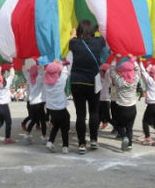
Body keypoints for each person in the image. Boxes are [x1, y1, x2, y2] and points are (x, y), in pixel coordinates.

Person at [69, 19, 106, 154]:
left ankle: (81, 144)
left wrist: (73, 33)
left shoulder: (74, 43)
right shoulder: (99, 42)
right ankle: (94, 140)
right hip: (93, 82)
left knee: (80, 114)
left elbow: (72, 39)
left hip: (77, 82)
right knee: (94, 112)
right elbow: (103, 34)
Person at [110, 55, 140, 151]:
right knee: (129, 128)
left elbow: (112, 71)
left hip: (121, 108)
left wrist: (115, 59)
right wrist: (133, 60)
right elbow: (138, 70)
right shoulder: (135, 80)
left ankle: (124, 137)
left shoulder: (119, 81)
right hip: (132, 108)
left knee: (118, 125)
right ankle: (130, 145)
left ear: (122, 71)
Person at [44, 60, 71, 154]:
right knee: (65, 128)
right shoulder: (59, 82)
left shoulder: (46, 82)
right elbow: (64, 72)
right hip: (61, 109)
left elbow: (47, 70)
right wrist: (61, 63)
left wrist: (55, 64)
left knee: (56, 125)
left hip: (51, 109)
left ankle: (50, 141)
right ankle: (65, 147)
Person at [139, 61, 155, 147]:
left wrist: (139, 62)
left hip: (152, 105)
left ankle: (148, 138)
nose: (149, 73)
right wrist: (150, 64)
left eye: (151, 72)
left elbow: (143, 71)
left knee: (145, 121)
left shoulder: (150, 80)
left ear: (153, 74)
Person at [22, 62, 47, 144]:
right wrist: (40, 62)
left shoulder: (29, 79)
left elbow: (24, 71)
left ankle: (27, 134)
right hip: (39, 103)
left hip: (31, 103)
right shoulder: (39, 78)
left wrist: (23, 62)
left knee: (33, 120)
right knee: (42, 121)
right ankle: (44, 137)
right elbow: (42, 71)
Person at [98, 63, 112, 130]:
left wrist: (107, 68)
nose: (100, 72)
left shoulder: (108, 79)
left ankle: (118, 128)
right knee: (99, 114)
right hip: (99, 99)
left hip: (106, 100)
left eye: (101, 71)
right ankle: (102, 124)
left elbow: (108, 73)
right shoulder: (99, 78)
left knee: (107, 116)